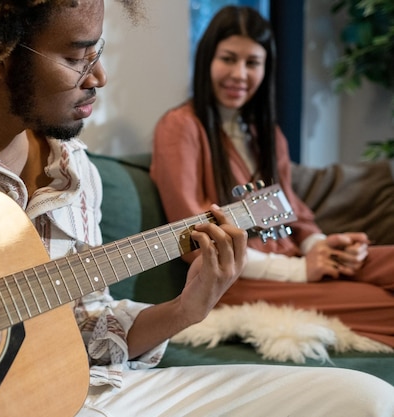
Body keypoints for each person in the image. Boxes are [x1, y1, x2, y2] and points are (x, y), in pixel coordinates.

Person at [0, 1, 392, 416]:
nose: (98, 79)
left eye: (98, 54)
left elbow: (84, 327)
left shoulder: (77, 174)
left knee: (361, 399)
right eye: (75, 56)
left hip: (84, 398)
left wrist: (185, 309)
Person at [151, 4, 394, 353]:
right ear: (206, 59)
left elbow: (294, 211)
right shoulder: (180, 127)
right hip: (236, 281)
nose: (240, 73)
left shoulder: (267, 136)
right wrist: (298, 273)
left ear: (266, 69)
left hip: (295, 262)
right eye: (228, 58)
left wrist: (321, 245)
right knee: (382, 303)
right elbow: (194, 242)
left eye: (252, 63)